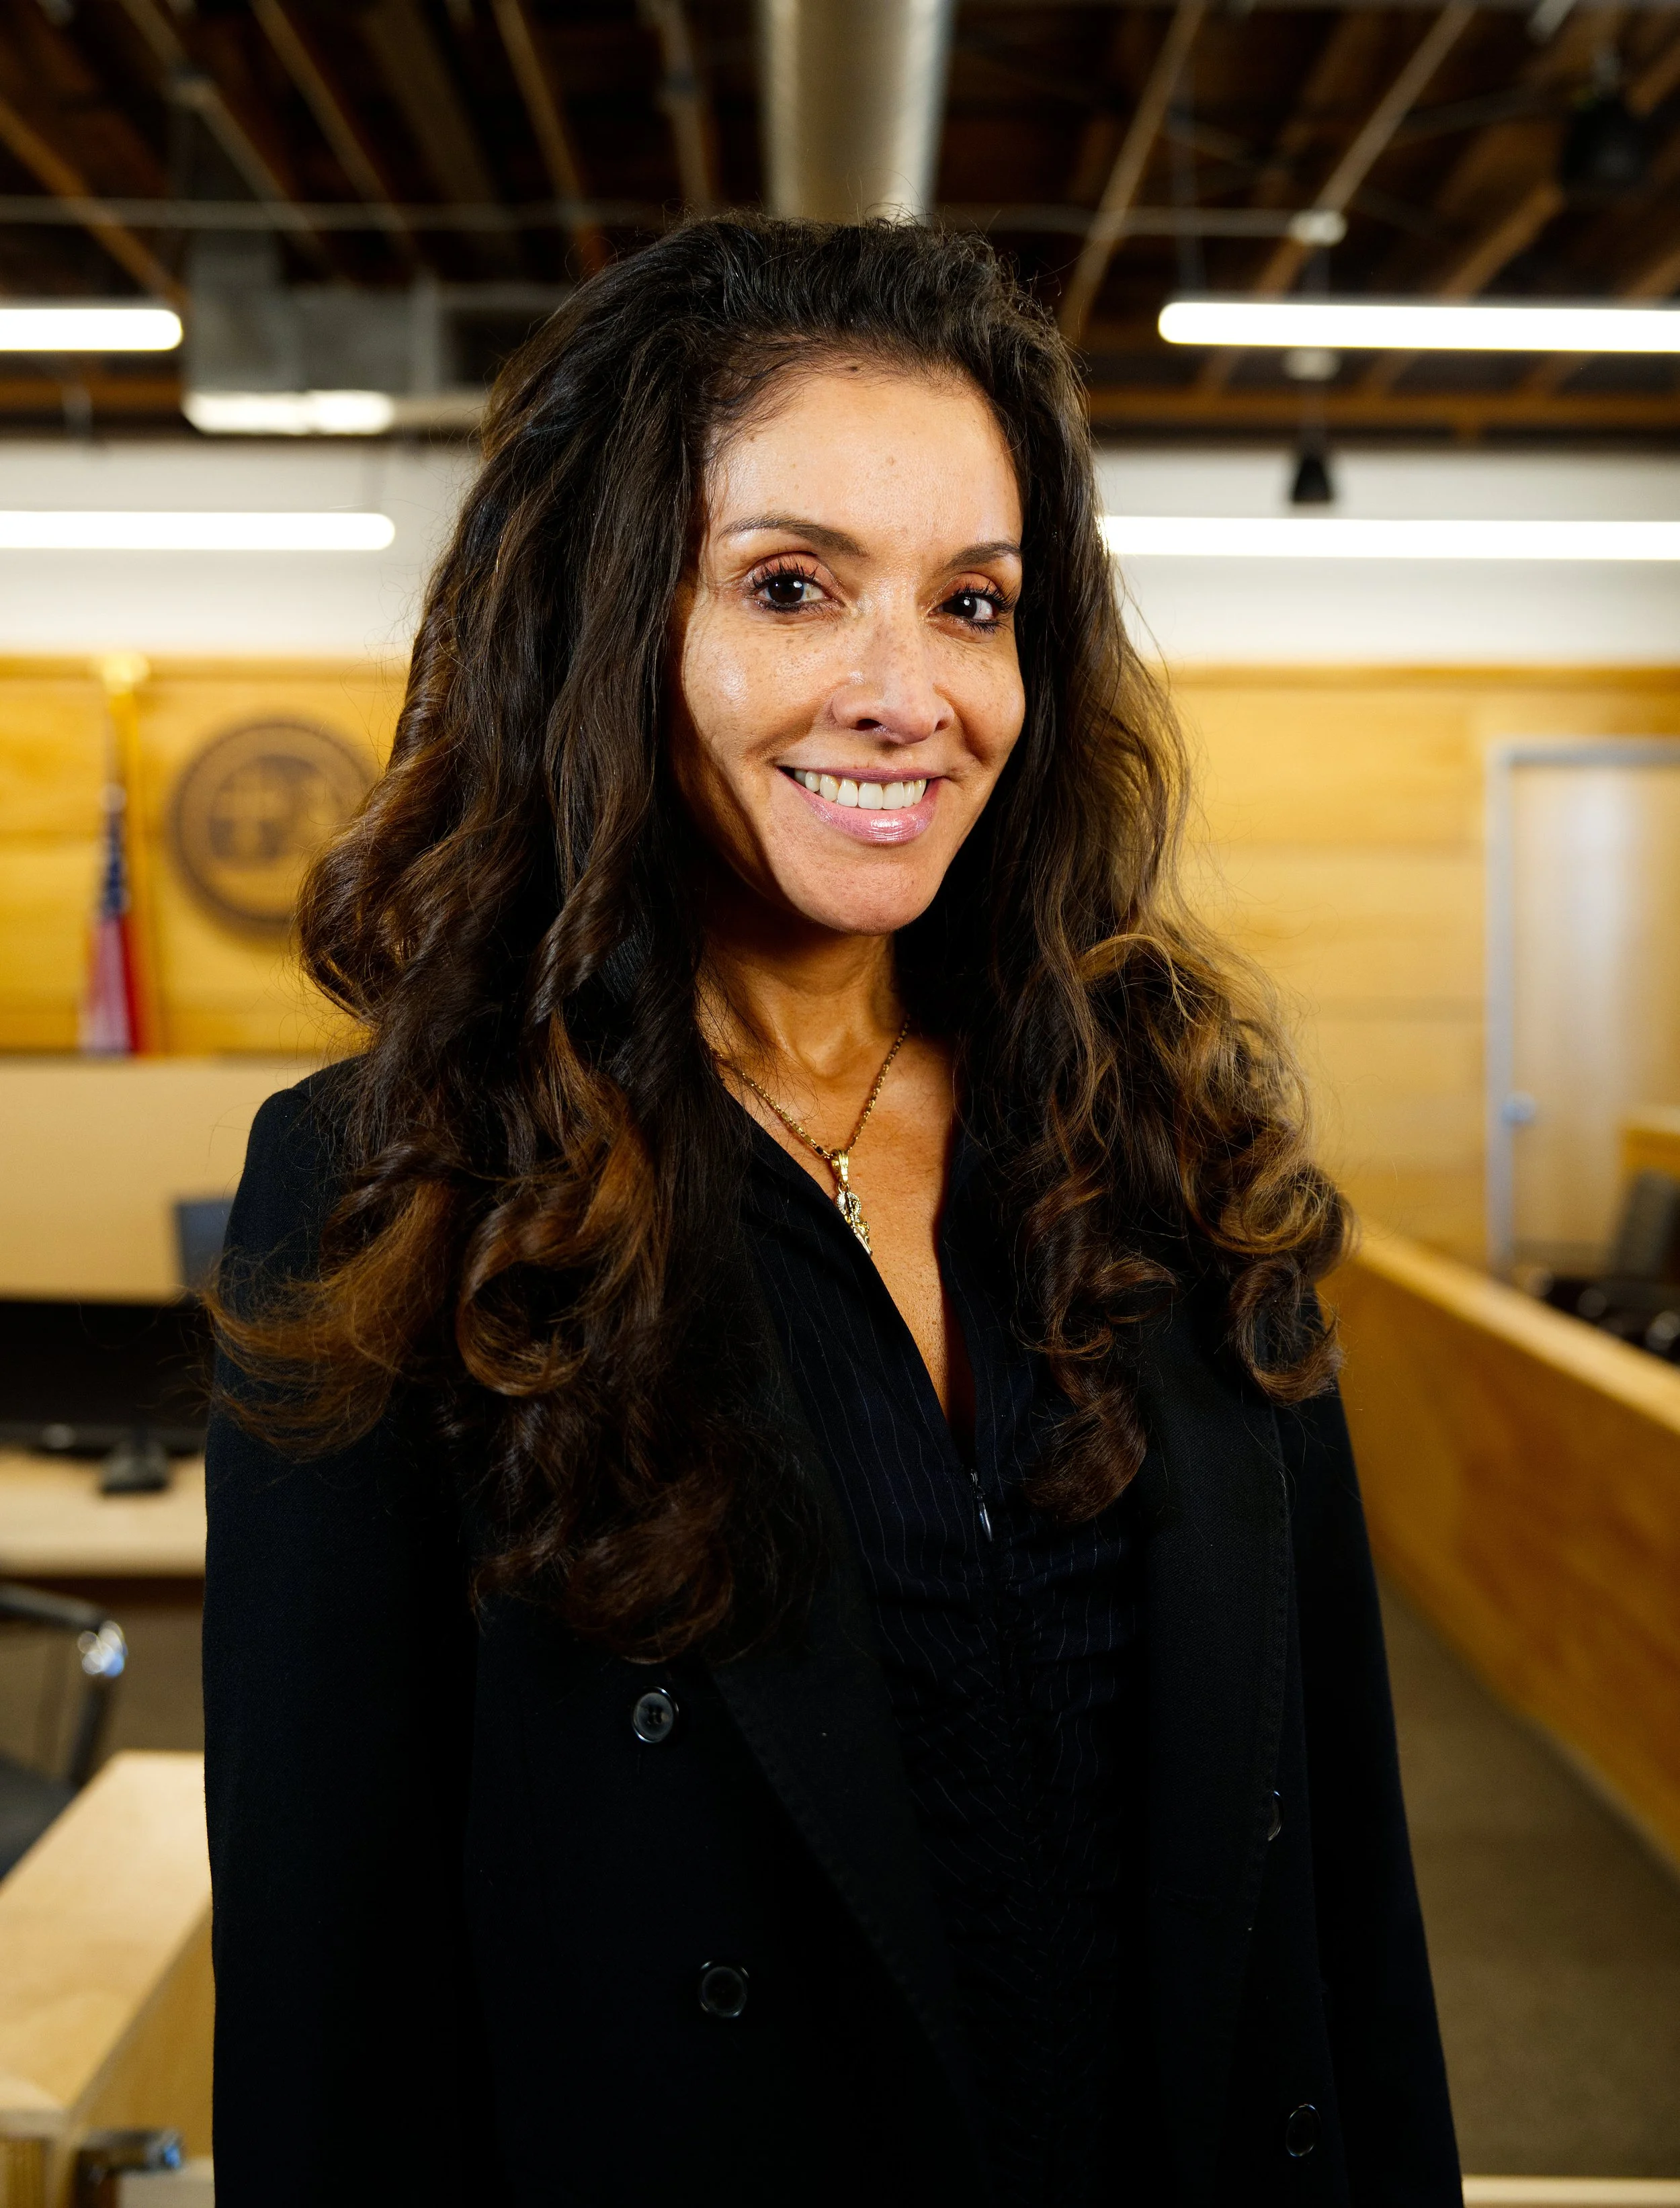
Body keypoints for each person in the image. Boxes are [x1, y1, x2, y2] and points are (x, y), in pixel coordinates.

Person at [204, 215, 1458, 2208]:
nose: (906, 693)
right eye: (792, 588)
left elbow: (1342, 1907)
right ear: (613, 629)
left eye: (974, 606)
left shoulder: (1170, 1162)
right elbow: (328, 1994)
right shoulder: (397, 1184)